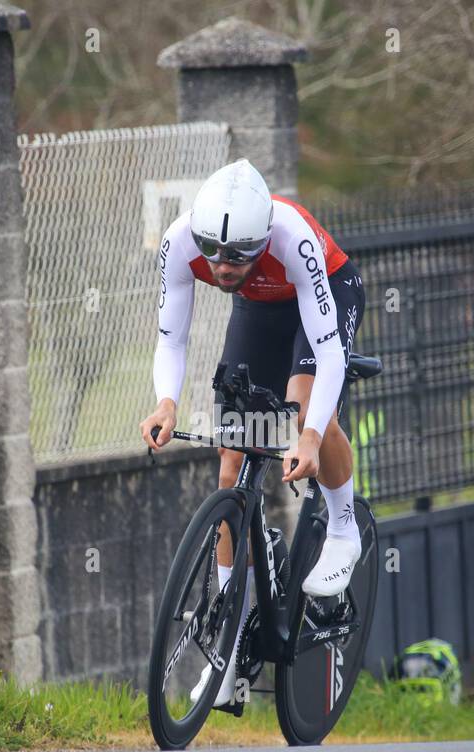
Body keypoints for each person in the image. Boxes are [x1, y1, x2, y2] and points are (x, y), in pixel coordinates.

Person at [139, 159, 366, 708]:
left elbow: (329, 352)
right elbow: (172, 338)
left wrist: (309, 435)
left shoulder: (294, 238)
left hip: (325, 296)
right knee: (230, 468)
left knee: (311, 403)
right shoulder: (181, 242)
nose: (222, 265)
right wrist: (166, 403)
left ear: (262, 239)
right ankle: (231, 639)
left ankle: (342, 528)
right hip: (260, 310)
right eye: (213, 252)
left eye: (239, 254)